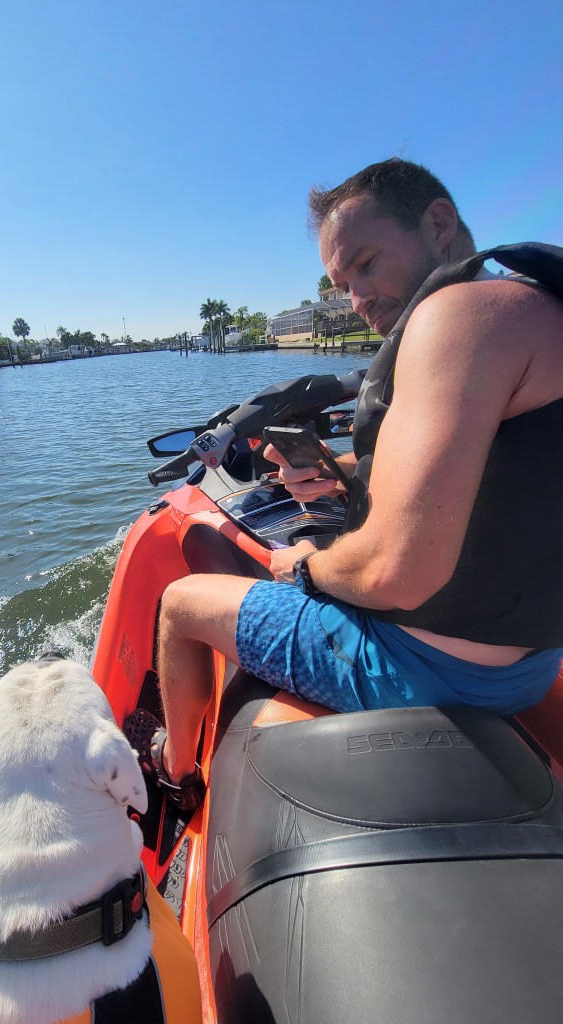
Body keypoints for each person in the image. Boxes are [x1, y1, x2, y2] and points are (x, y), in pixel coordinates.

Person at [125, 157, 563, 811]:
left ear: (438, 223)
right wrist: (341, 474)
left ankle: (175, 764)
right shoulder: (534, 304)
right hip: (531, 663)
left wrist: (304, 564)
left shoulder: (461, 315)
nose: (357, 299)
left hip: (431, 671)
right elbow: (500, 471)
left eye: (365, 263)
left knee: (184, 603)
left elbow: (395, 572)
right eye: (342, 282)